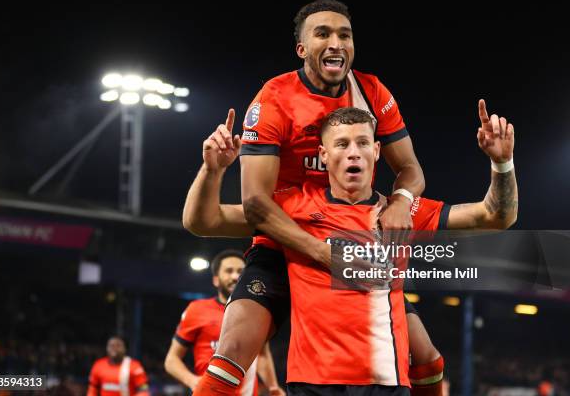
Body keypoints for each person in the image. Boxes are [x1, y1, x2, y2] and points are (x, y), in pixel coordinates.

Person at [183, 0, 442, 395]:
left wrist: (403, 200)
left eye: (345, 34)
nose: (336, 42)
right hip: (285, 236)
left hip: (353, 240)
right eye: (323, 34)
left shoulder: (371, 93)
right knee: (233, 347)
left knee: (425, 354)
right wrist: (321, 252)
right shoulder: (274, 97)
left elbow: (411, 169)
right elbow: (254, 202)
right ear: (302, 49)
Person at [186, 100, 516, 394]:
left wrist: (502, 165)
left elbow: (496, 215)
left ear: (376, 151)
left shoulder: (400, 213)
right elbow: (203, 221)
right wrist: (211, 171)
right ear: (324, 156)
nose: (353, 152)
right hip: (312, 384)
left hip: (386, 383)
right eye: (341, 144)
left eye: (362, 142)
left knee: (430, 359)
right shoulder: (291, 209)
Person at [164, 250, 285, 396]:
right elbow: (171, 360)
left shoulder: (256, 313)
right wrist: (192, 380)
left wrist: (273, 387)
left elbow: (263, 355)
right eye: (229, 271)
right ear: (216, 279)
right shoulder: (197, 309)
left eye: (241, 272)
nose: (235, 276)